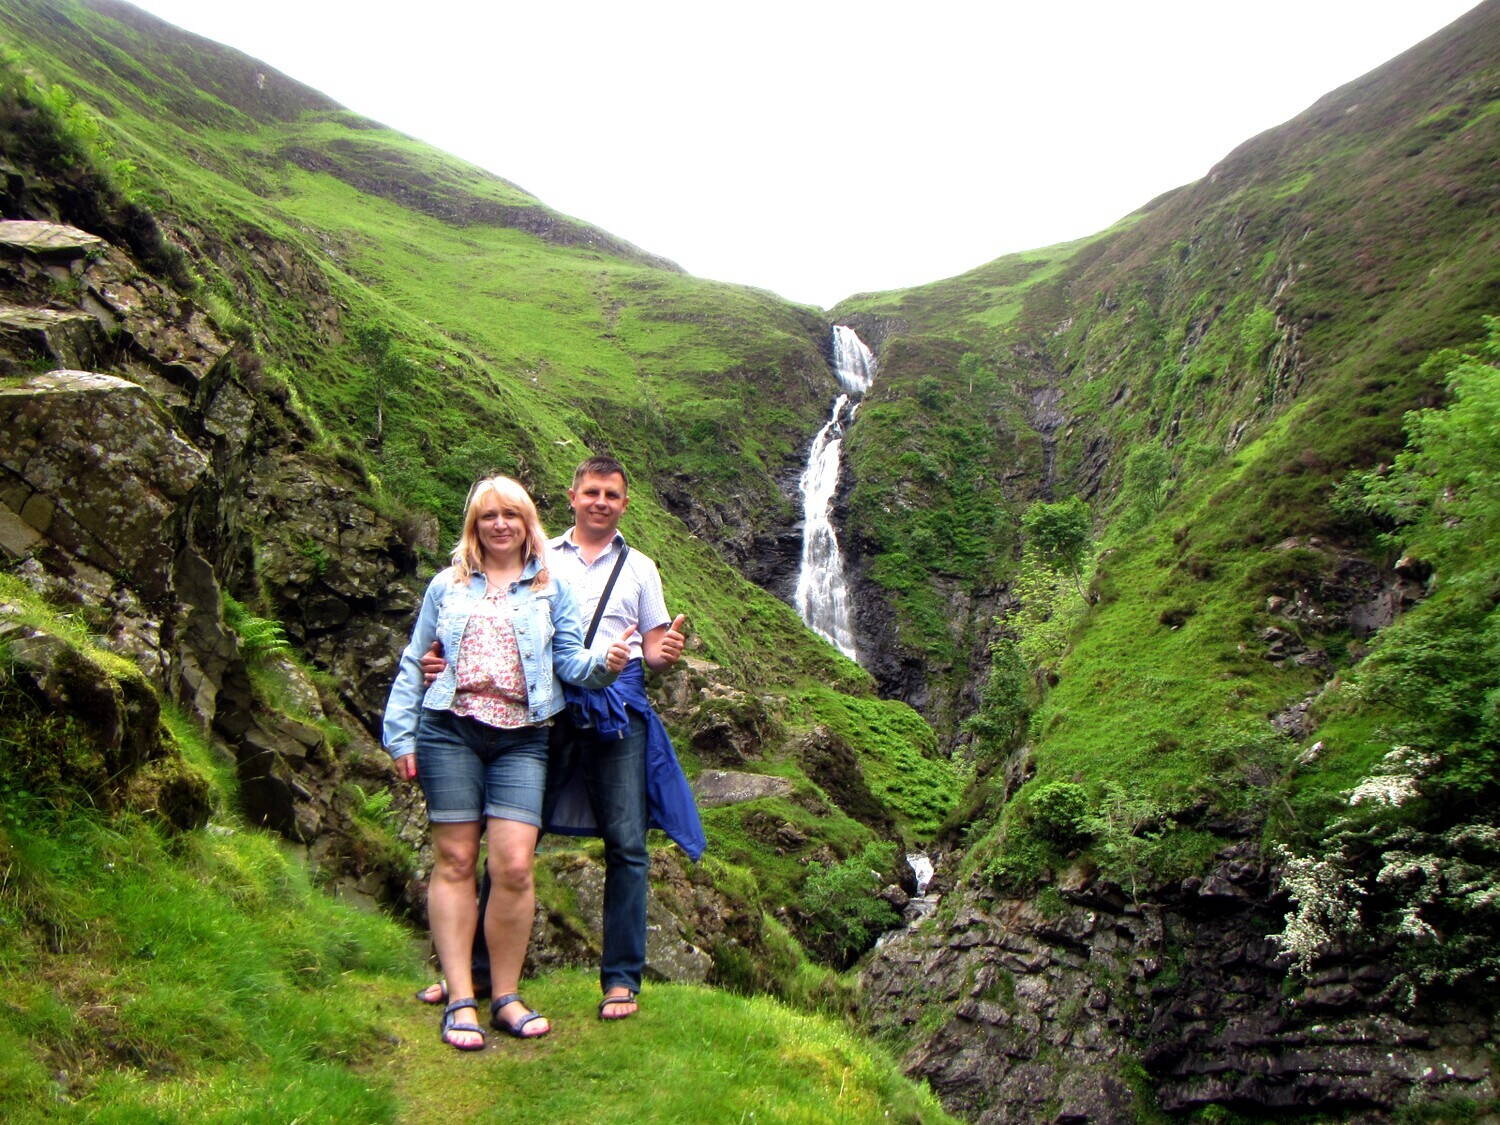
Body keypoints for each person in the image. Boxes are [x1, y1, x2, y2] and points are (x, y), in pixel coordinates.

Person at [416, 455, 703, 1021]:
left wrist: (664, 653)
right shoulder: (538, 558)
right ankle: (472, 974)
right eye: (591, 492)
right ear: (572, 497)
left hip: (617, 711)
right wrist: (440, 664)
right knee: (511, 842)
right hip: (544, 710)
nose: (601, 502)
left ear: (625, 504)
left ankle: (620, 980)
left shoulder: (642, 568)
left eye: (612, 495)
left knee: (626, 843)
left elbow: (651, 649)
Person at [384, 474, 632, 1051]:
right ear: (474, 525)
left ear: (528, 523)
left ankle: (506, 997)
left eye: (511, 515)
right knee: (455, 860)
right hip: (450, 729)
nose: (500, 525)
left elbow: (570, 661)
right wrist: (401, 737)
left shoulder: (551, 587)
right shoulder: (446, 585)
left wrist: (608, 663)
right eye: (489, 516)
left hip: (524, 736)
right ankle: (461, 998)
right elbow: (414, 661)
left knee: (515, 866)